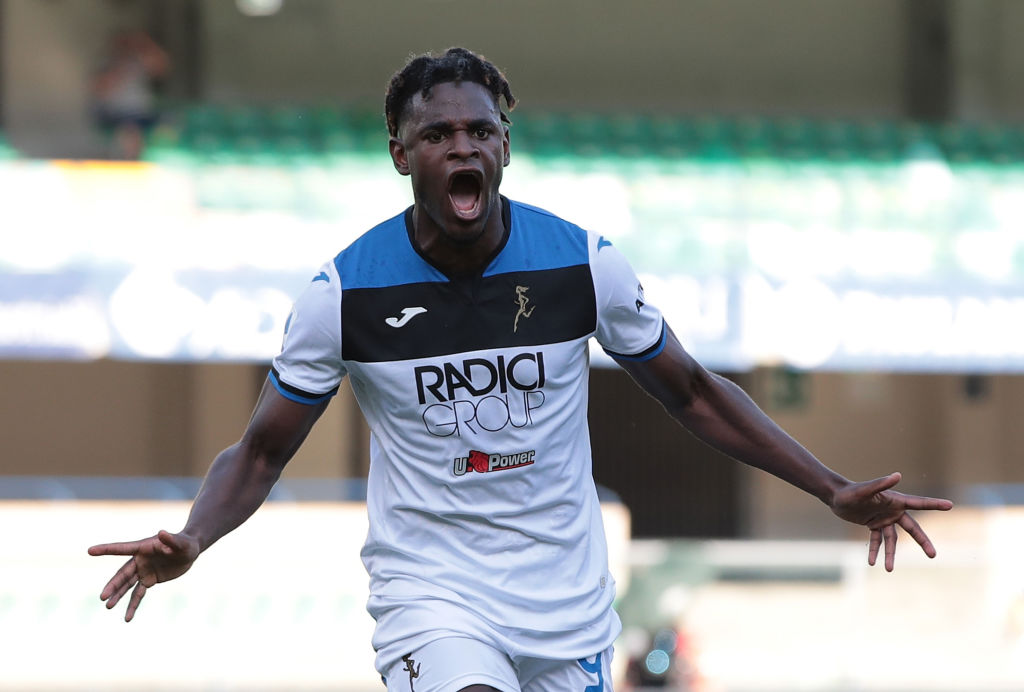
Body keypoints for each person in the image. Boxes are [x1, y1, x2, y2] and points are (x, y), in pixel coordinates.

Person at [90, 47, 954, 692]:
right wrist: (194, 537)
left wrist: (830, 486)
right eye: (438, 134)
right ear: (401, 153)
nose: (462, 148)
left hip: (566, 604)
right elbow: (261, 451)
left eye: (480, 131)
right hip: (431, 592)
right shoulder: (343, 294)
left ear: (506, 146)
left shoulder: (580, 264)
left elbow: (692, 393)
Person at [91, 29, 170, 160]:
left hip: (143, 112)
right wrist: (120, 66)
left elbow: (162, 67)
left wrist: (146, 44)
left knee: (169, 124)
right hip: (116, 113)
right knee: (130, 129)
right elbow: (100, 90)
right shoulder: (107, 63)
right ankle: (130, 164)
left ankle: (160, 162)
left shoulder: (140, 62)